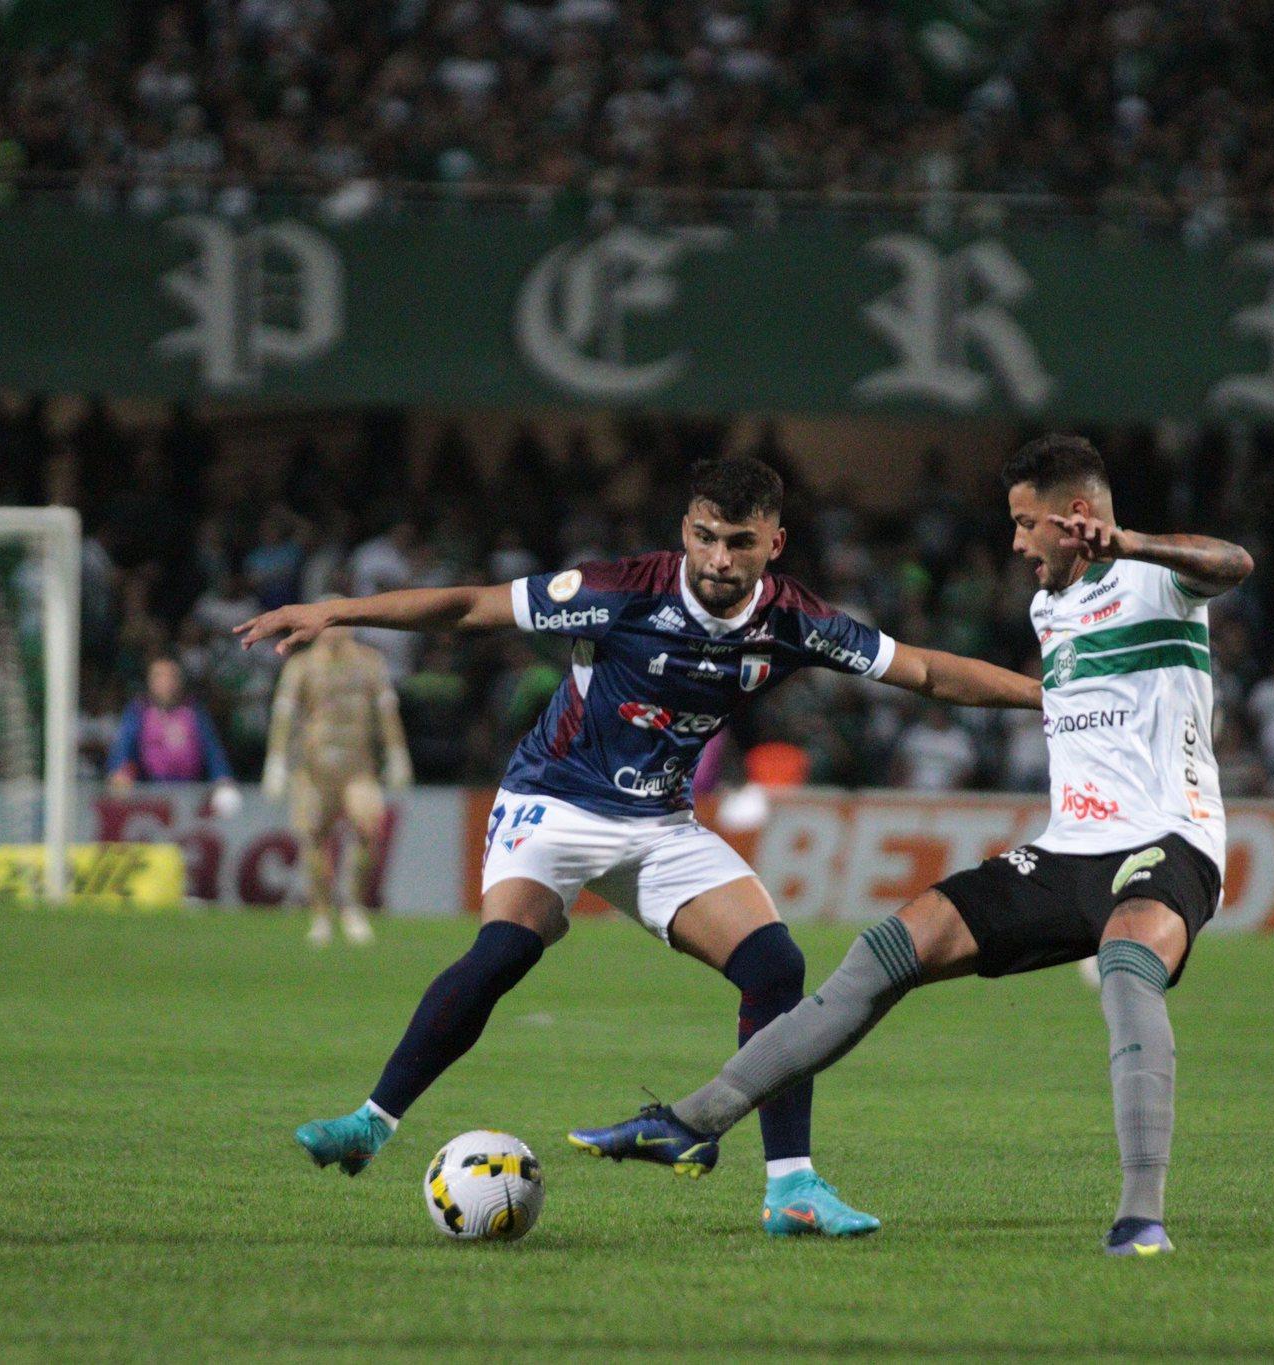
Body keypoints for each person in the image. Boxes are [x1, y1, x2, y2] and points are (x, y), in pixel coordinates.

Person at [235, 456, 1042, 1236]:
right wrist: (337, 611)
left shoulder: (793, 620)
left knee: (776, 965)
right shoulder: (616, 592)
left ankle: (791, 1188)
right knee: (507, 949)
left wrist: (1047, 697)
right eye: (704, 536)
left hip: (659, 826)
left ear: (775, 544)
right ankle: (371, 1121)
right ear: (684, 530)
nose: (718, 558)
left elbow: (928, 673)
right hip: (553, 799)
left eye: (739, 542)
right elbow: (470, 608)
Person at [571, 434, 1253, 1257]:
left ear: (1076, 519)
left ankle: (1142, 1216)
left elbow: (1234, 562)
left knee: (1125, 963)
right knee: (886, 949)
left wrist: (1134, 541)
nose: (1013, 542)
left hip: (1167, 840)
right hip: (1069, 848)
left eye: (1024, 522)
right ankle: (691, 1121)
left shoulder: (1159, 580)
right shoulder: (1048, 608)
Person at [262, 621, 413, 946]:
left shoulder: (370, 662)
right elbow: (284, 715)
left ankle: (353, 905)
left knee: (368, 831)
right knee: (313, 838)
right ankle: (320, 913)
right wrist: (275, 762)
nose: (334, 633)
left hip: (357, 767)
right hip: (312, 769)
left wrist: (398, 754)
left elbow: (386, 712)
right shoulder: (301, 665)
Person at [106, 658, 240, 816]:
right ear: (150, 682)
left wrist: (223, 779)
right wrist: (119, 772)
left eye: (171, 677)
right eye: (159, 677)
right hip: (150, 794)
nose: (166, 682)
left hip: (190, 795)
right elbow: (123, 747)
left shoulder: (193, 710)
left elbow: (212, 751)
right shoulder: (139, 711)